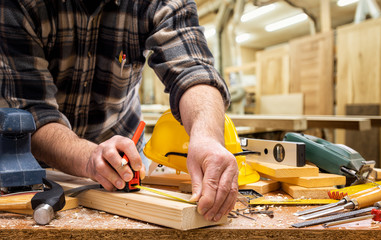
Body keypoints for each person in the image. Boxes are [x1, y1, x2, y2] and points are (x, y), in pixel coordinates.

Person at [0, 0, 238, 222]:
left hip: (124, 165)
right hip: (40, 175)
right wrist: (88, 159)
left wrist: (207, 136)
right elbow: (32, 114)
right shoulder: (20, 4)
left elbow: (192, 67)